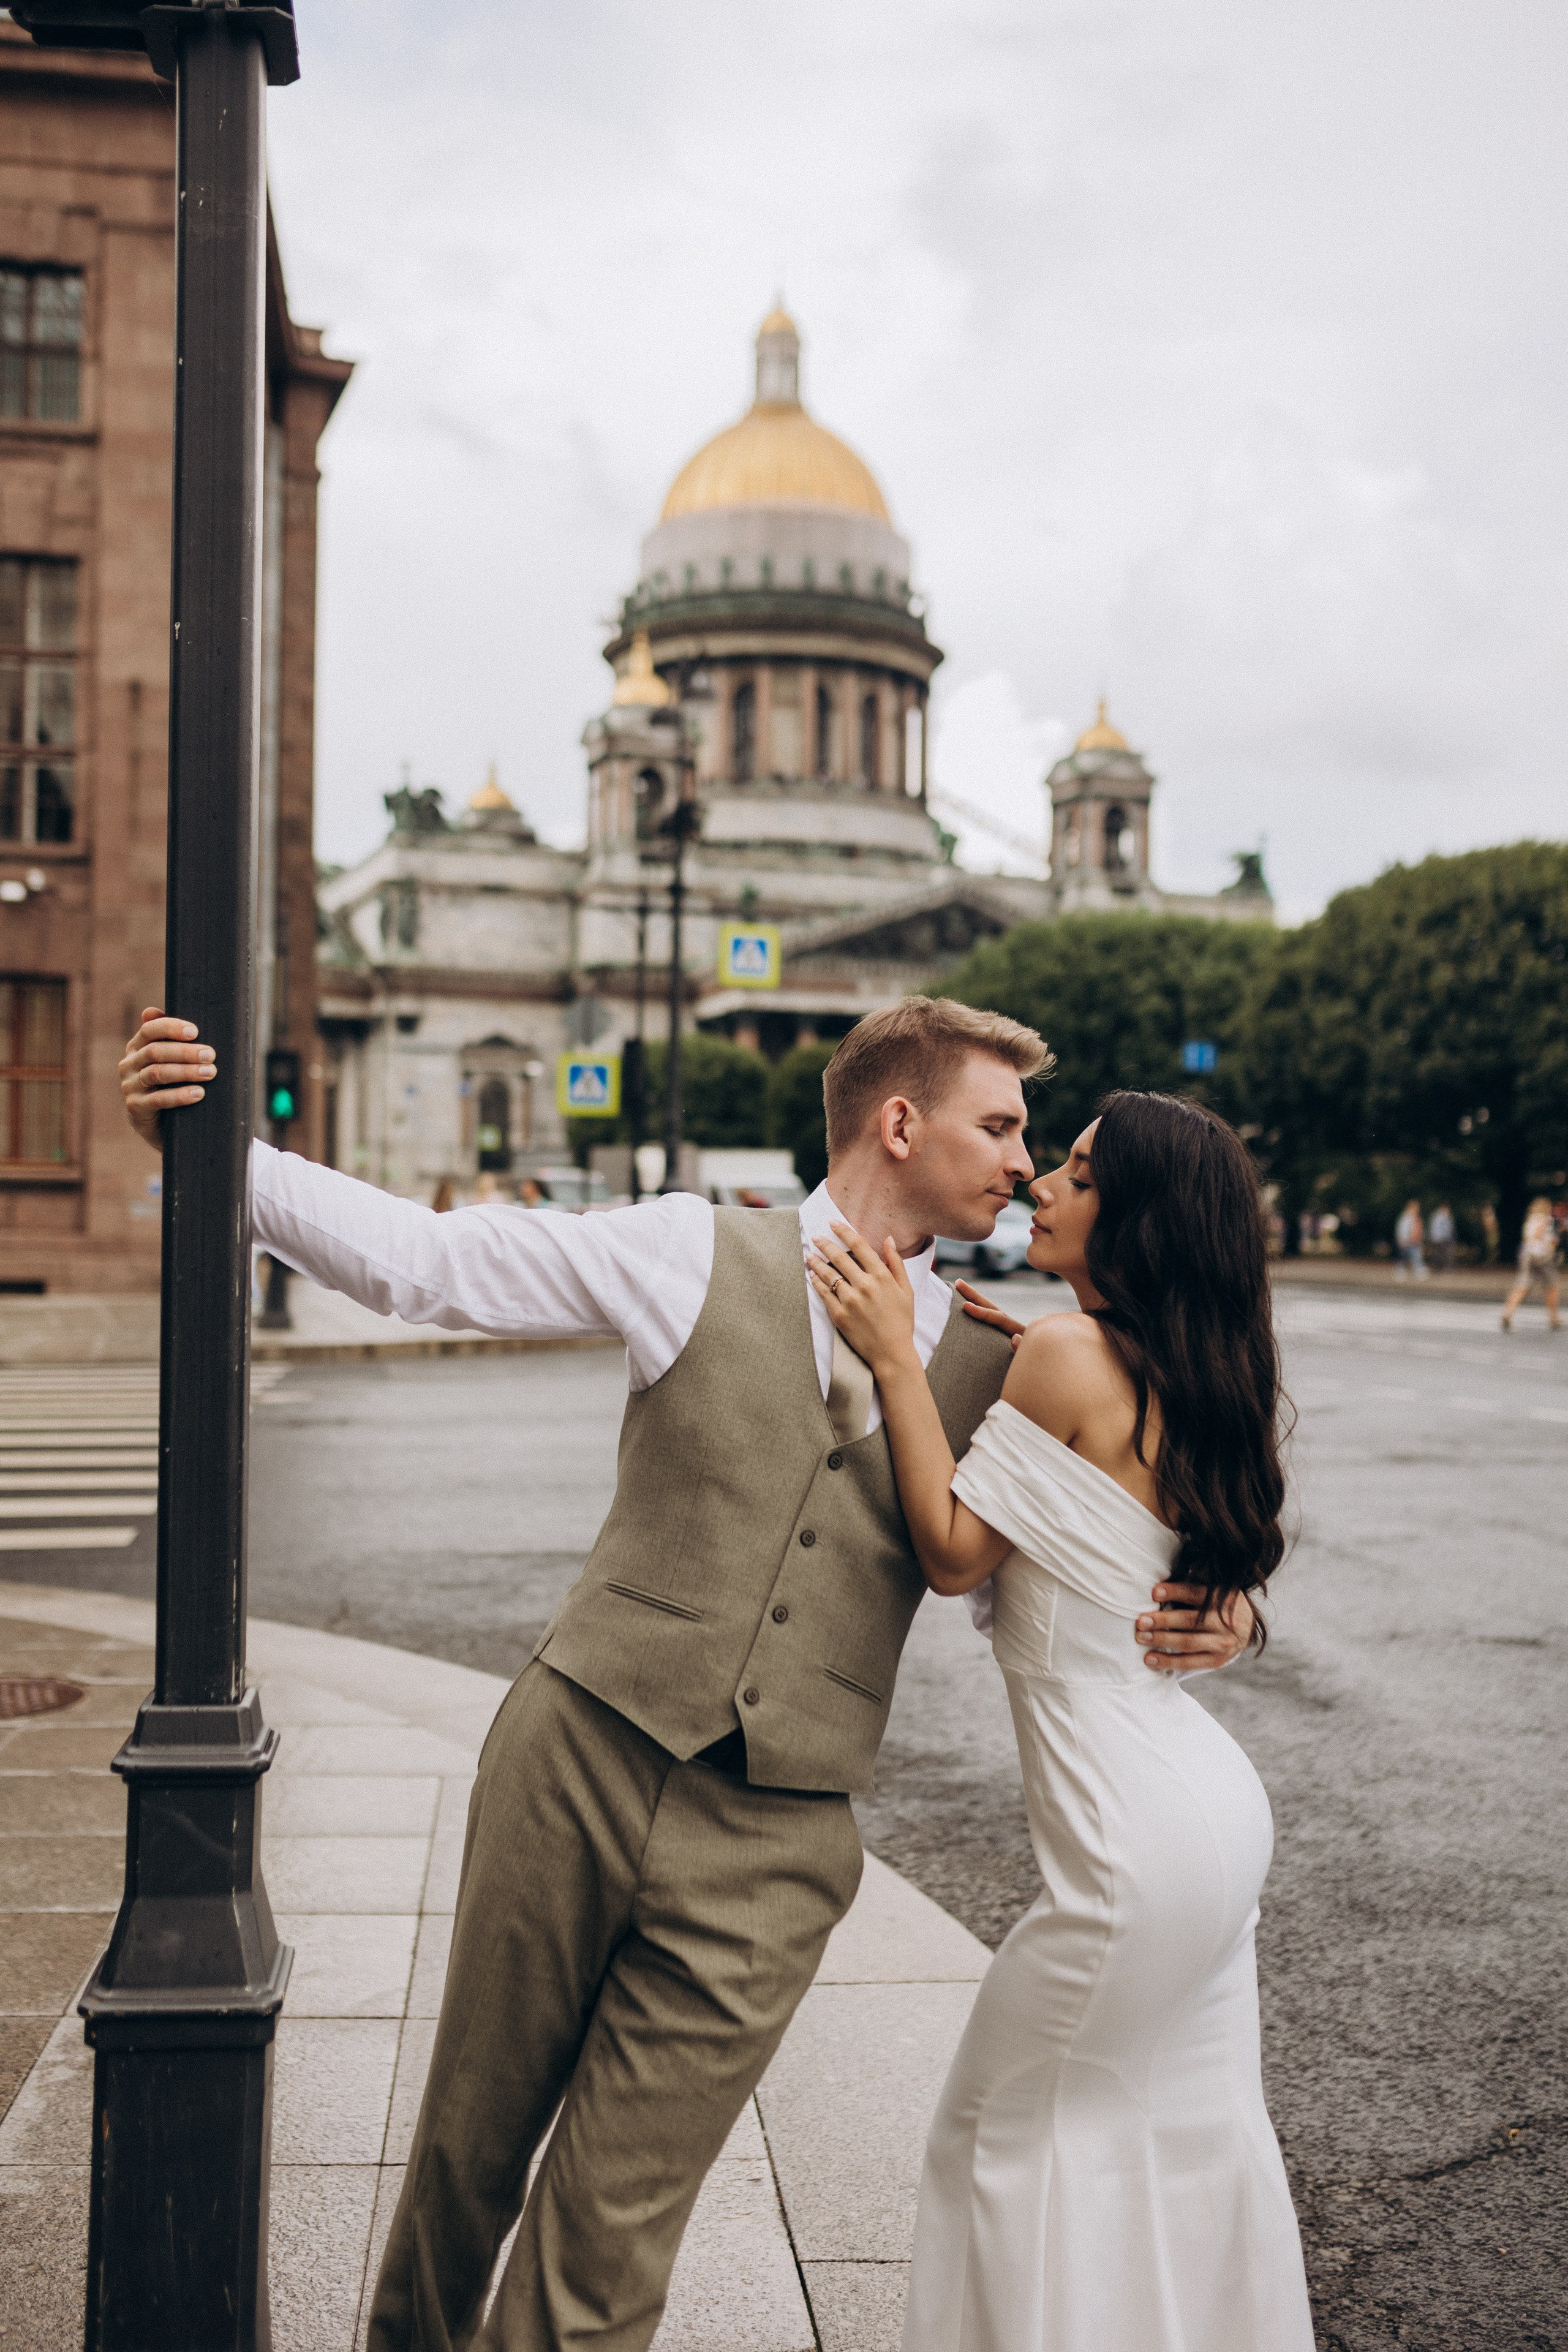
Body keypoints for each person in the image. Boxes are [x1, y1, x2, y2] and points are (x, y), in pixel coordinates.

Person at [119, 999, 1254, 2352]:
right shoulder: (687, 1248)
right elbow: (430, 1263)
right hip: (575, 1762)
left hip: (774, 1854)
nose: (1022, 1163)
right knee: (460, 2170)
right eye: (1001, 1127)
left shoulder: (994, 1361)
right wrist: (210, 1157)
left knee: (607, 2250)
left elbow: (1098, 1538)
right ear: (901, 1121)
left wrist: (1220, 1604)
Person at [809, 1092, 1313, 2352]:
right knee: (1181, 2146)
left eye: (1076, 1176)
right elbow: (1178, 1577)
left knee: (996, 2144)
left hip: (1122, 1859)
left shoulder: (1064, 1361)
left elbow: (950, 1552)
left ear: (1132, 1219)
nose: (1039, 1184)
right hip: (1208, 1821)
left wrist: (889, 1354)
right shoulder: (1193, 1375)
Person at [1500, 1196, 1562, 1332]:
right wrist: (1554, 1242)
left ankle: (1507, 1314)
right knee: (1552, 1287)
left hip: (1528, 1256)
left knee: (1523, 1286)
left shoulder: (1529, 1221)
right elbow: (1544, 1237)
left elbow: (1528, 1239)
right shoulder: (1547, 1220)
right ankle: (1554, 1319)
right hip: (1543, 1258)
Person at [1393, 1196, 1426, 1280]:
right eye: (1416, 1208)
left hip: (1414, 1240)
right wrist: (1401, 1239)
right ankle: (1401, 1272)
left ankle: (1419, 1270)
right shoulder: (1406, 1217)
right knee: (1403, 1257)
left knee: (1416, 1256)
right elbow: (1402, 1229)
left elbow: (1418, 1230)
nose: (1417, 1210)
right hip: (1406, 1240)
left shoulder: (1415, 1218)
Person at [1428, 1200, 1456, 1271]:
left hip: (1446, 1239)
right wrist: (1439, 1237)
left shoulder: (1447, 1217)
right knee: (1437, 1255)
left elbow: (1450, 1228)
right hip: (1439, 1239)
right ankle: (1436, 1269)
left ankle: (1447, 1268)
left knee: (1447, 1254)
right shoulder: (1438, 1217)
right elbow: (1435, 1228)